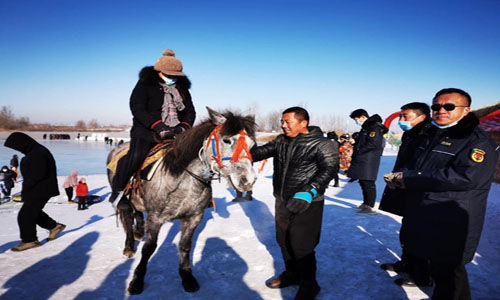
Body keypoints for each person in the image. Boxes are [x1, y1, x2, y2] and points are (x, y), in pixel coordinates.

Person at [384, 88, 499, 299]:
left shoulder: (477, 141)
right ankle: (420, 276)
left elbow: (464, 177)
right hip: (425, 210)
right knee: (430, 261)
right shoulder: (432, 135)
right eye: (436, 106)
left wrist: (409, 178)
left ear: (466, 110)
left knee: (449, 274)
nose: (441, 111)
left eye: (449, 106)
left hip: (451, 217)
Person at [251, 107, 338, 300]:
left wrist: (310, 190)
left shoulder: (322, 143)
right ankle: (292, 274)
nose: (282, 125)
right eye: (282, 121)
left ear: (303, 123)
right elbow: (260, 152)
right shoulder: (282, 141)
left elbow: (330, 169)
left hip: (307, 202)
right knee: (283, 241)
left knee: (301, 245)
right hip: (282, 200)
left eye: (287, 121)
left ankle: (310, 284)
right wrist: (240, 151)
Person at [109, 49, 196, 206]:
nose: (172, 78)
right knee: (136, 156)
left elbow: (190, 111)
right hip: (147, 132)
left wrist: (183, 126)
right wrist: (158, 126)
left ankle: (201, 195)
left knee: (197, 157)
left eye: (175, 76)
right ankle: (118, 191)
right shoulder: (145, 84)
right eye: (169, 75)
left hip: (177, 132)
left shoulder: (182, 88)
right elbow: (137, 107)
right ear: (159, 72)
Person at [378, 102, 433, 287]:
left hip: (420, 190)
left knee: (420, 234)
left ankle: (422, 275)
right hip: (406, 186)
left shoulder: (430, 135)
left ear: (422, 117)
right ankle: (407, 264)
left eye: (405, 116)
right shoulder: (411, 134)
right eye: (400, 116)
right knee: (407, 231)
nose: (401, 120)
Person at [4, 132, 66, 252]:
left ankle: (30, 240)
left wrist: (27, 186)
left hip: (41, 189)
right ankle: (54, 226)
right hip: (38, 189)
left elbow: (37, 174)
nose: (18, 149)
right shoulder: (34, 151)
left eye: (17, 146)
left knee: (24, 216)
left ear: (22, 143)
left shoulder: (38, 153)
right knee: (33, 212)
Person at [347, 109, 388, 214]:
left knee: (368, 183)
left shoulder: (374, 127)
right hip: (363, 159)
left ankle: (370, 206)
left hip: (369, 159)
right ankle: (366, 203)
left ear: (363, 117)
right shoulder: (367, 127)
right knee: (363, 181)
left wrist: (360, 150)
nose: (356, 122)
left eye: (356, 119)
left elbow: (374, 143)